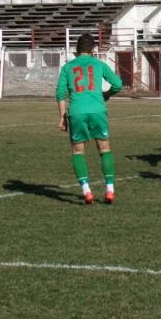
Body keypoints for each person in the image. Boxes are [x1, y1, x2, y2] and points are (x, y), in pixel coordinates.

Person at [56, 33, 123, 204]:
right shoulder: (99, 64)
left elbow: (60, 93)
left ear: (76, 49)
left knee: (78, 152)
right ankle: (110, 190)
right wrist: (107, 94)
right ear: (93, 49)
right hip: (97, 110)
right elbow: (118, 84)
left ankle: (87, 192)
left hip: (77, 112)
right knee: (104, 149)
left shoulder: (68, 67)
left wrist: (62, 116)